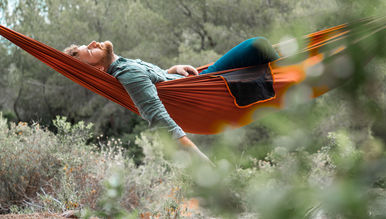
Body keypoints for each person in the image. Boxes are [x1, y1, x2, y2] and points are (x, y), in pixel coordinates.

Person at [64, 37, 279, 164]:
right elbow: (158, 116)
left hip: (196, 81)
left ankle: (294, 68)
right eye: (89, 50)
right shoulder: (127, 73)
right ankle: (295, 70)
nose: (93, 42)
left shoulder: (124, 65)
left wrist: (172, 71)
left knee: (261, 52)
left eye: (88, 44)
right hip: (206, 89)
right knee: (257, 46)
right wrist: (200, 159)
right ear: (100, 70)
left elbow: (153, 82)